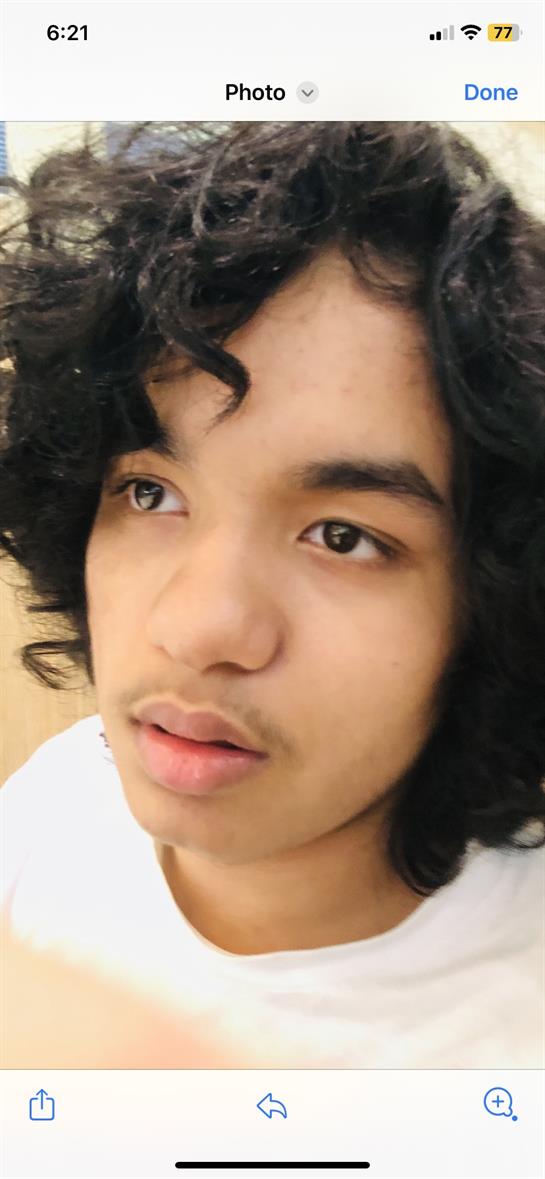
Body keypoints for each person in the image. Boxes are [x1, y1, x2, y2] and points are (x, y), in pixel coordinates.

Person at [1, 122, 544, 1068]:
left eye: (343, 537)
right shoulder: (56, 801)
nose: (196, 627)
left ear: (492, 598)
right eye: (149, 492)